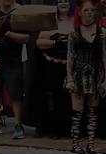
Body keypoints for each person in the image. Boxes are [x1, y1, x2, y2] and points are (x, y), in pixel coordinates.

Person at [66, 0, 106, 154]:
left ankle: (91, 143)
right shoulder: (74, 33)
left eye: (92, 10)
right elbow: (70, 58)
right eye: (87, 10)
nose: (90, 13)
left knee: (92, 111)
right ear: (80, 12)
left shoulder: (102, 33)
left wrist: (105, 80)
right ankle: (75, 143)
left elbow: (104, 58)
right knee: (77, 111)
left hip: (95, 75)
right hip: (78, 76)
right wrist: (69, 78)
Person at [36, 0, 74, 138]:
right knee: (54, 98)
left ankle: (68, 129)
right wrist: (56, 42)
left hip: (71, 66)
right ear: (55, 5)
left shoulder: (75, 21)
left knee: (69, 98)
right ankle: (54, 129)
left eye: (66, 1)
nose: (63, 3)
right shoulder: (50, 22)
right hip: (51, 67)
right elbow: (39, 42)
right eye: (60, 1)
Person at [0, 0, 30, 139]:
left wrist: (8, 34)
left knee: (15, 94)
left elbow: (26, 38)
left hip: (13, 60)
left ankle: (18, 125)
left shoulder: (19, 11)